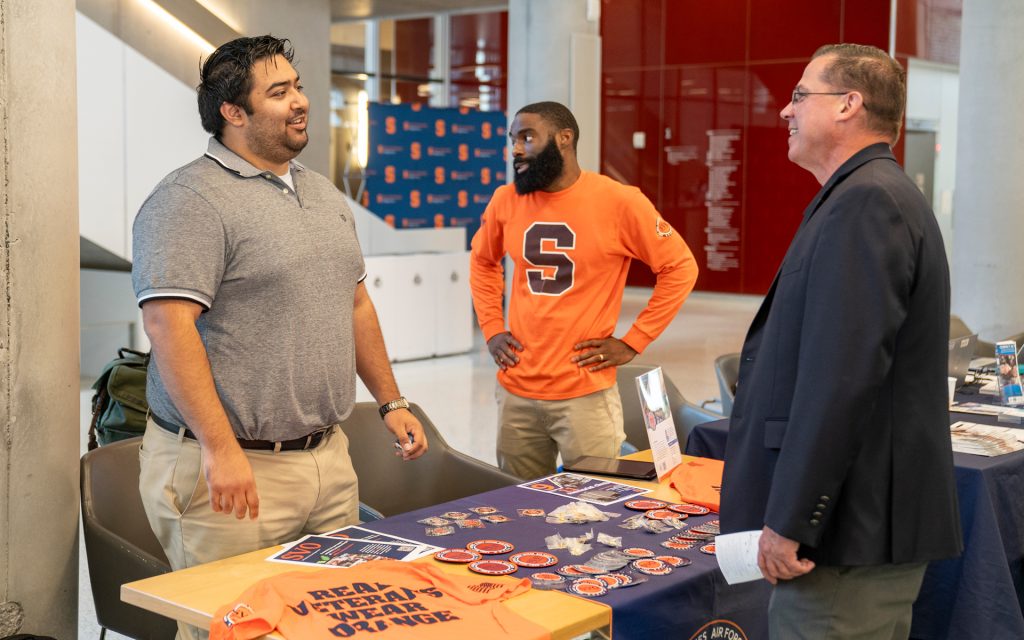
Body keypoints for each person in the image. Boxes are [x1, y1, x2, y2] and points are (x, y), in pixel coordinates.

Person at [131, 35, 427, 639]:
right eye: (279, 92)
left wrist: (391, 401)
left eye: (297, 86)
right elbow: (168, 326)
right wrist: (220, 448)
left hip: (326, 459)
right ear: (232, 113)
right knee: (235, 629)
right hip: (230, 466)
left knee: (334, 621)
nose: (301, 101)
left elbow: (355, 302)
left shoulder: (319, 191)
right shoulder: (188, 200)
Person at [719, 44, 962, 638]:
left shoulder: (867, 202)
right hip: (857, 528)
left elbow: (841, 380)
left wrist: (792, 520)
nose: (785, 110)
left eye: (801, 95)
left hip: (846, 539)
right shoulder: (862, 194)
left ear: (849, 104)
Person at [469, 101, 698, 480]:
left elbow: (679, 267)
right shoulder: (505, 201)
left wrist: (634, 341)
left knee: (594, 508)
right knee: (518, 505)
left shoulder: (620, 202)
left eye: (527, 137)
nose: (516, 149)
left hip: (585, 394)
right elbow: (482, 261)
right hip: (516, 392)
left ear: (565, 138)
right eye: (513, 140)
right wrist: (492, 328)